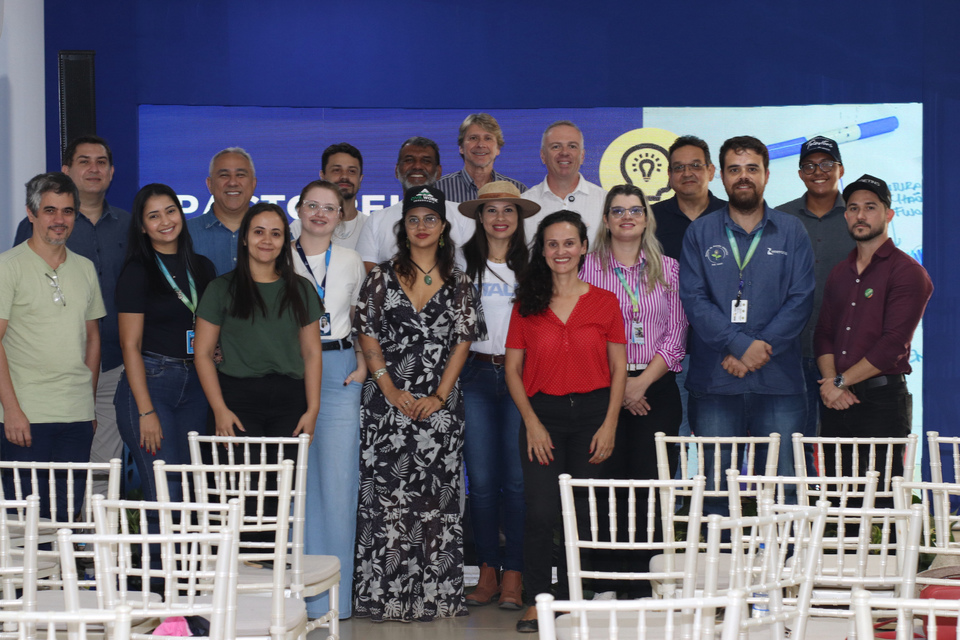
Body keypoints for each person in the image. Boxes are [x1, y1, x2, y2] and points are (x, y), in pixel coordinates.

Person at [353, 185, 485, 622]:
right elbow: (367, 335)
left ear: (444, 228)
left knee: (436, 499)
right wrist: (390, 390)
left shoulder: (461, 280)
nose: (422, 226)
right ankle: (383, 597)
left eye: (430, 218)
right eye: (414, 219)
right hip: (386, 404)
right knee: (387, 499)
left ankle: (435, 596)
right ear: (403, 228)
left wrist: (439, 396)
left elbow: (464, 341)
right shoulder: (380, 278)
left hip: (439, 405)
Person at [505, 211, 627, 633]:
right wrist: (532, 423)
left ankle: (577, 596)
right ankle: (539, 599)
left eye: (569, 243)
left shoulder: (605, 301)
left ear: (583, 249)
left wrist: (610, 423)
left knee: (582, 512)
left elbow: (619, 366)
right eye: (553, 244)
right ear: (543, 250)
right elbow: (512, 370)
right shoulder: (527, 303)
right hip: (543, 417)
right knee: (540, 511)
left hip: (593, 416)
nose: (561, 251)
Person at [679, 136, 814, 505]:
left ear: (767, 175)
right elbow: (693, 299)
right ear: (720, 176)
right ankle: (719, 561)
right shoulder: (699, 233)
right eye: (734, 170)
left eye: (752, 169)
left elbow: (800, 300)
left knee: (785, 485)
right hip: (716, 381)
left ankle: (785, 561)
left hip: (780, 381)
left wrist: (755, 348)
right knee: (718, 489)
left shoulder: (792, 231)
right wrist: (739, 345)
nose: (743, 177)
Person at [580, 185, 688, 589]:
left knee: (650, 484)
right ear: (606, 219)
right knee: (605, 485)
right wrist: (621, 385)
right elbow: (581, 333)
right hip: (601, 387)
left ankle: (647, 580)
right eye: (618, 210)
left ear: (647, 218)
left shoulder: (670, 269)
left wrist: (640, 383)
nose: (627, 217)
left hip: (655, 387)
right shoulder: (584, 268)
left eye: (635, 210)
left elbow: (676, 332)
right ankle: (604, 580)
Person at [13, 135, 131, 500]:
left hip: (112, 369)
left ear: (112, 172)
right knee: (38, 487)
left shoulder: (130, 225)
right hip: (40, 386)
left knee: (97, 473)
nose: (93, 169)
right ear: (66, 170)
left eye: (101, 162)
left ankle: (87, 550)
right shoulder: (31, 237)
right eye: (84, 161)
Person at [814, 174, 932, 493]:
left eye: (870, 207)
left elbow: (892, 345)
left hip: (881, 402)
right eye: (853, 208)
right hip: (837, 402)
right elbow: (823, 333)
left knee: (883, 501)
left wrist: (839, 383)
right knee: (839, 499)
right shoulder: (840, 272)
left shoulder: (908, 272)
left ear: (888, 214)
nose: (861, 215)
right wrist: (831, 386)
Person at [0, 173, 106, 517]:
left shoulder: (86, 269)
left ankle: (66, 573)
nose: (59, 220)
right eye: (49, 210)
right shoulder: (7, 267)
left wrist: (88, 402)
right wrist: (12, 410)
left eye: (67, 211)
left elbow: (93, 338)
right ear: (31, 215)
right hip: (25, 416)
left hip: (76, 415)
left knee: (66, 517)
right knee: (28, 525)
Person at [457, 181, 540, 610]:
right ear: (480, 217)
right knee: (482, 481)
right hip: (473, 373)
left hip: (520, 377)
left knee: (516, 481)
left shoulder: (535, 264)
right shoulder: (460, 261)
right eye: (492, 210)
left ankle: (515, 573)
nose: (501, 218)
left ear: (520, 217)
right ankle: (486, 569)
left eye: (509, 210)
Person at [291, 180, 366, 620]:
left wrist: (360, 363)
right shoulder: (279, 254)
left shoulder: (352, 260)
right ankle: (298, 599)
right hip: (291, 371)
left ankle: (335, 601)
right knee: (298, 485)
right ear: (298, 209)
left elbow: (360, 317)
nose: (320, 214)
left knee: (339, 484)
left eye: (330, 208)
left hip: (339, 372)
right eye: (312, 206)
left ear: (340, 216)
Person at [114, 183, 217, 505]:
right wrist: (145, 411)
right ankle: (156, 559)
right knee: (165, 492)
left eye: (170, 211)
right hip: (153, 383)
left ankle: (190, 558)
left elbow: (209, 326)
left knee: (190, 493)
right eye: (154, 216)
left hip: (196, 385)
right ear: (143, 227)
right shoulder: (137, 270)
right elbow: (130, 345)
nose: (165, 221)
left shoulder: (202, 267)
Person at [776, 136, 854, 473]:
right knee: (792, 447)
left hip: (849, 356)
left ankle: (845, 522)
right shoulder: (780, 218)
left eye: (826, 164)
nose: (817, 171)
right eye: (809, 165)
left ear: (840, 169)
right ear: (799, 173)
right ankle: (795, 520)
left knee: (846, 451)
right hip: (789, 352)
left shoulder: (858, 215)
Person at [652, 136, 726, 444]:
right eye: (679, 167)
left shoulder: (734, 216)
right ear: (669, 176)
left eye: (696, 165)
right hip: (667, 353)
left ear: (711, 170)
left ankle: (716, 496)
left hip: (721, 351)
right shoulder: (650, 220)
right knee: (674, 444)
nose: (687, 173)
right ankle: (680, 496)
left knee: (719, 446)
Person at [354, 137, 475, 272]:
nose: (417, 166)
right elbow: (367, 274)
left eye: (426, 161)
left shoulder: (462, 216)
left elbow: (475, 270)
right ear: (396, 170)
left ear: (439, 172)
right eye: (409, 160)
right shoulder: (376, 220)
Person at [521, 121, 607, 240]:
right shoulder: (524, 204)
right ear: (543, 156)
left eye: (572, 146)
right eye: (556, 146)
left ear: (582, 156)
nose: (564, 152)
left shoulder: (605, 201)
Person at [187, 147, 258, 275]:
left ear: (253, 184)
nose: (232, 182)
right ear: (210, 185)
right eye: (224, 175)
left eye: (240, 175)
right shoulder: (186, 234)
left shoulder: (275, 233)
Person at [289, 143, 369, 250]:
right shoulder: (300, 227)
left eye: (352, 171)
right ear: (322, 175)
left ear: (360, 179)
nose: (344, 176)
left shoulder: (370, 227)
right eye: (336, 170)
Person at [435, 113, 527, 202]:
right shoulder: (438, 189)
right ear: (461, 147)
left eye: (488, 138)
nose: (481, 145)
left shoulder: (518, 191)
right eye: (473, 138)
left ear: (498, 148)